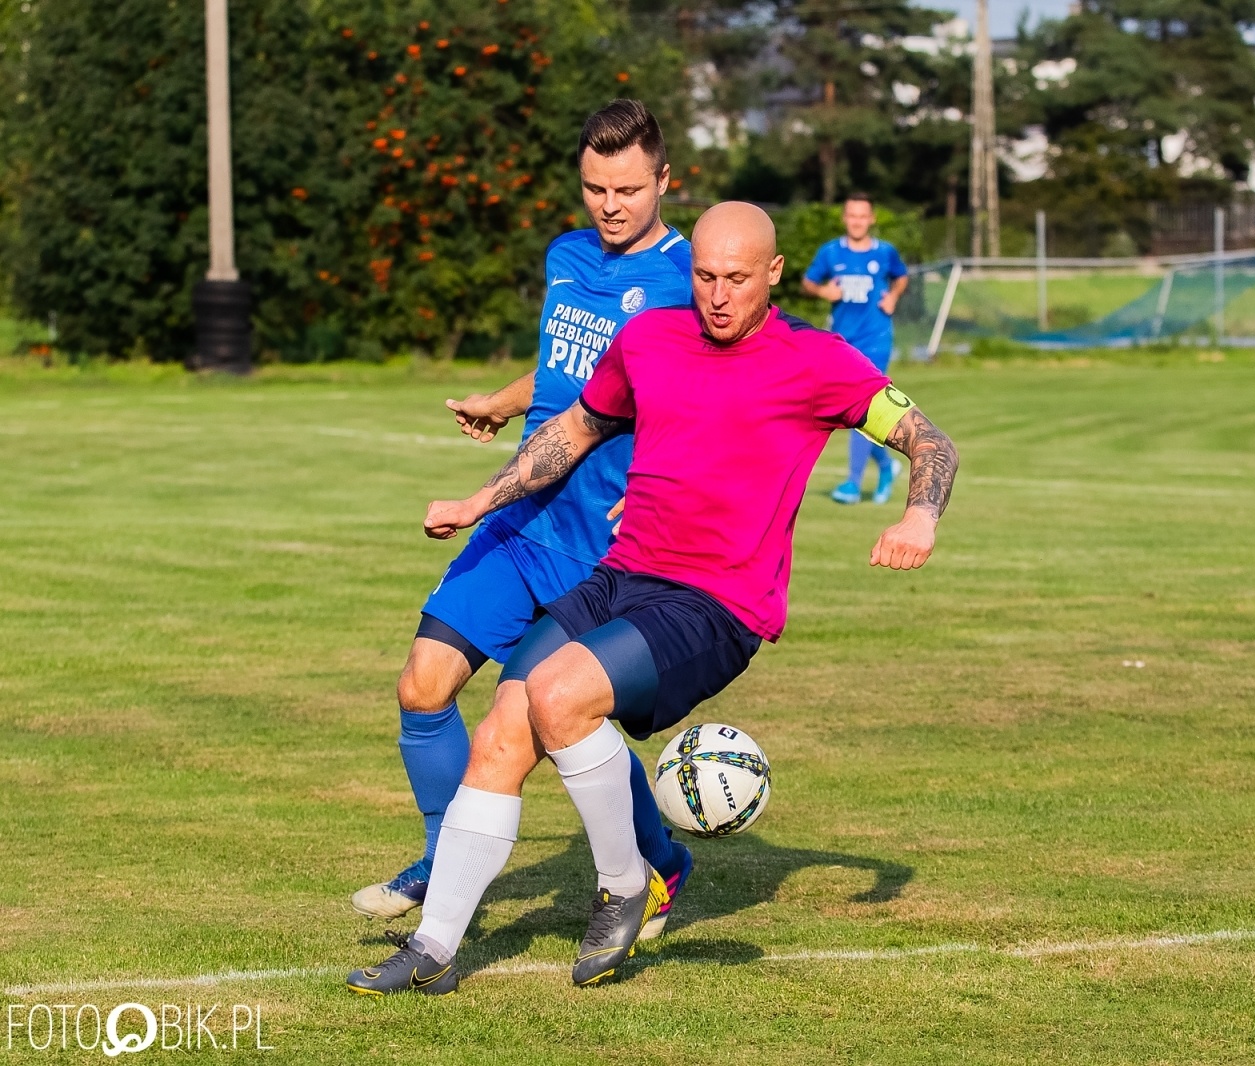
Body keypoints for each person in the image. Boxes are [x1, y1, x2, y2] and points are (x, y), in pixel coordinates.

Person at [346, 201, 959, 996]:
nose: (718, 295)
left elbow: (929, 440)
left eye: (737, 278)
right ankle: (432, 949)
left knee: (562, 695)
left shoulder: (820, 360)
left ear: (774, 273)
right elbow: (574, 428)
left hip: (716, 604)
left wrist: (919, 512)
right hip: (622, 574)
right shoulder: (649, 341)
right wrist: (478, 501)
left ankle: (626, 883)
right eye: (705, 276)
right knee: (506, 718)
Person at [350, 100, 697, 940]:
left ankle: (664, 865)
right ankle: (441, 863)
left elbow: (701, 405)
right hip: (522, 516)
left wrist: (663, 484)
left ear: (663, 180)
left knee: (544, 716)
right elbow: (562, 372)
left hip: (603, 545)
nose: (608, 205)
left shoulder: (692, 283)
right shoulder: (567, 255)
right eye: (592, 188)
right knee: (421, 686)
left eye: (625, 188)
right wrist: (503, 405)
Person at [800, 192, 910, 505]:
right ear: (845, 218)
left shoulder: (885, 252)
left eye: (863, 216)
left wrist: (893, 297)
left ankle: (852, 483)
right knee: (850, 411)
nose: (857, 221)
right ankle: (887, 467)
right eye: (852, 215)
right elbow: (808, 283)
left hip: (876, 339)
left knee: (862, 404)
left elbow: (901, 278)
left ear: (871, 219)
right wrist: (823, 290)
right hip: (843, 343)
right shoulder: (830, 252)